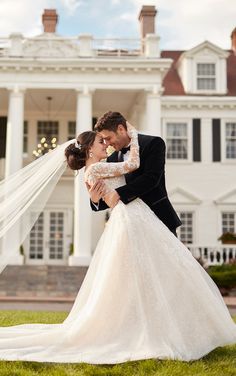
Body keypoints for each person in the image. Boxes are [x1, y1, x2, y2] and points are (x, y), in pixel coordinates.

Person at [0, 121, 235, 364]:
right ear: (90, 149)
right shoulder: (97, 169)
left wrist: (96, 194)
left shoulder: (98, 167)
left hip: (135, 215)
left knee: (155, 272)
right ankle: (146, 328)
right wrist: (132, 134)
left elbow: (112, 192)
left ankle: (163, 325)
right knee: (145, 273)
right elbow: (132, 166)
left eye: (107, 139)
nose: (106, 144)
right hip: (130, 218)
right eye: (101, 142)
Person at [88, 111, 182, 237]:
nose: (107, 143)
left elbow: (151, 178)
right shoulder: (112, 158)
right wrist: (95, 200)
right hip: (129, 227)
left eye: (108, 138)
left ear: (121, 129)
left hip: (159, 218)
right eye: (104, 140)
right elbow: (110, 197)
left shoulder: (153, 143)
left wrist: (118, 193)